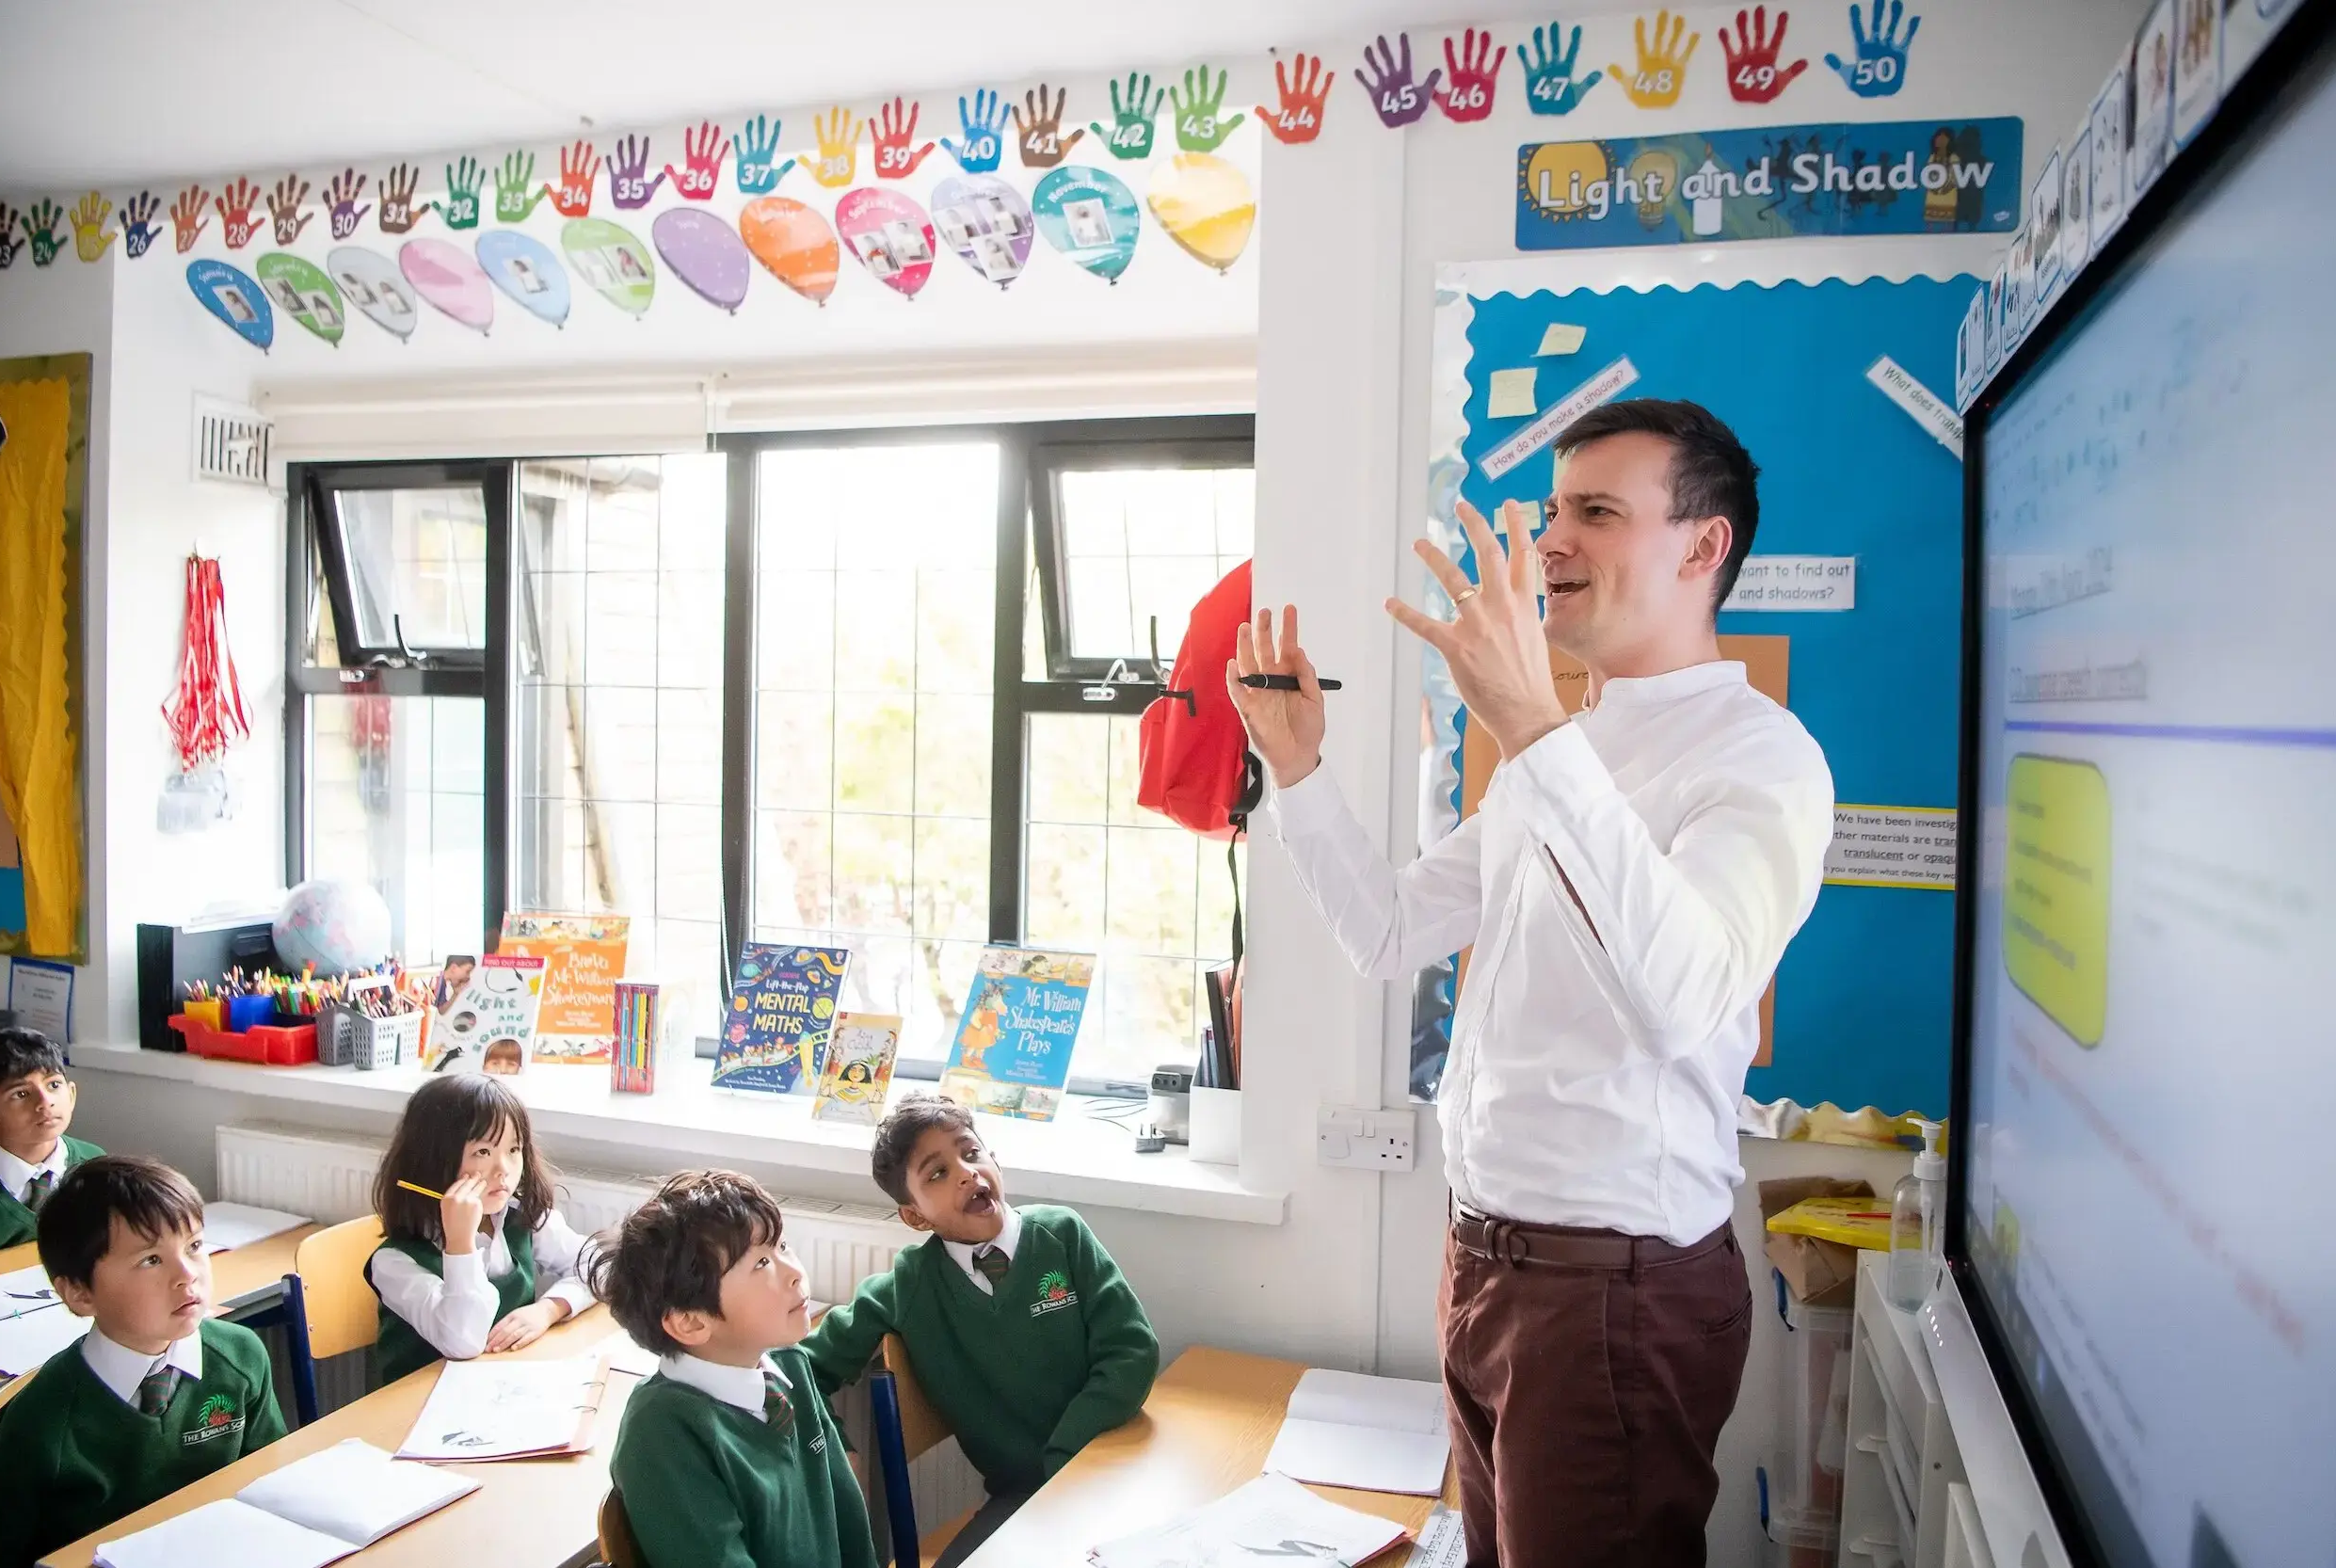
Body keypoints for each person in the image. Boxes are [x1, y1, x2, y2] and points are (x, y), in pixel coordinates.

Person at [1228, 399, 1834, 1567]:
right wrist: (1295, 766)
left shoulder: (1759, 758)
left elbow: (1687, 990)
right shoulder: (1560, 752)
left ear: (1704, 548)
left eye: (1596, 512)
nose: (1550, 544)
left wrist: (1532, 725)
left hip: (1612, 1294)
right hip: (1484, 1265)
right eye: (1551, 510)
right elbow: (1390, 930)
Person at [796, 1096, 1160, 1565]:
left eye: (971, 1153)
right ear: (915, 1216)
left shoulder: (1062, 1235)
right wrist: (835, 1450)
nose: (967, 1173)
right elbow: (800, 1368)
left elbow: (1132, 1349)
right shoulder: (908, 1286)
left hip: (1111, 1462)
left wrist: (1068, 1451)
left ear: (994, 1160)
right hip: (1021, 1502)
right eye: (937, 1173)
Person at [0, 1157, 285, 1568]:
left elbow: (270, 1484)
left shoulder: (241, 1356)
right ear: (79, 1293)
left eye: (194, 1246)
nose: (187, 1275)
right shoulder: (42, 1421)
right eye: (151, 1260)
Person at [590, 1170, 872, 1568]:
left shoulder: (791, 1368)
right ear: (690, 1322)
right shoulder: (662, 1433)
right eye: (760, 1263)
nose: (794, 1272)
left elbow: (850, 1526)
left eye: (782, 1246)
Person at [366, 1074, 597, 1382]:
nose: (504, 1169)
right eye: (483, 1153)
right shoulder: (395, 1261)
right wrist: (460, 1242)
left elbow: (601, 1265)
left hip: (499, 1389)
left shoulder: (517, 1217)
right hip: (417, 1409)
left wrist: (549, 1310)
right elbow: (463, 1342)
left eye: (514, 1150)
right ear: (433, 1159)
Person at [0, 1025, 105, 1250]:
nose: (45, 1101)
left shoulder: (94, 1163)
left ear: (71, 1095)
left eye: (53, 1085)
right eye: (21, 1094)